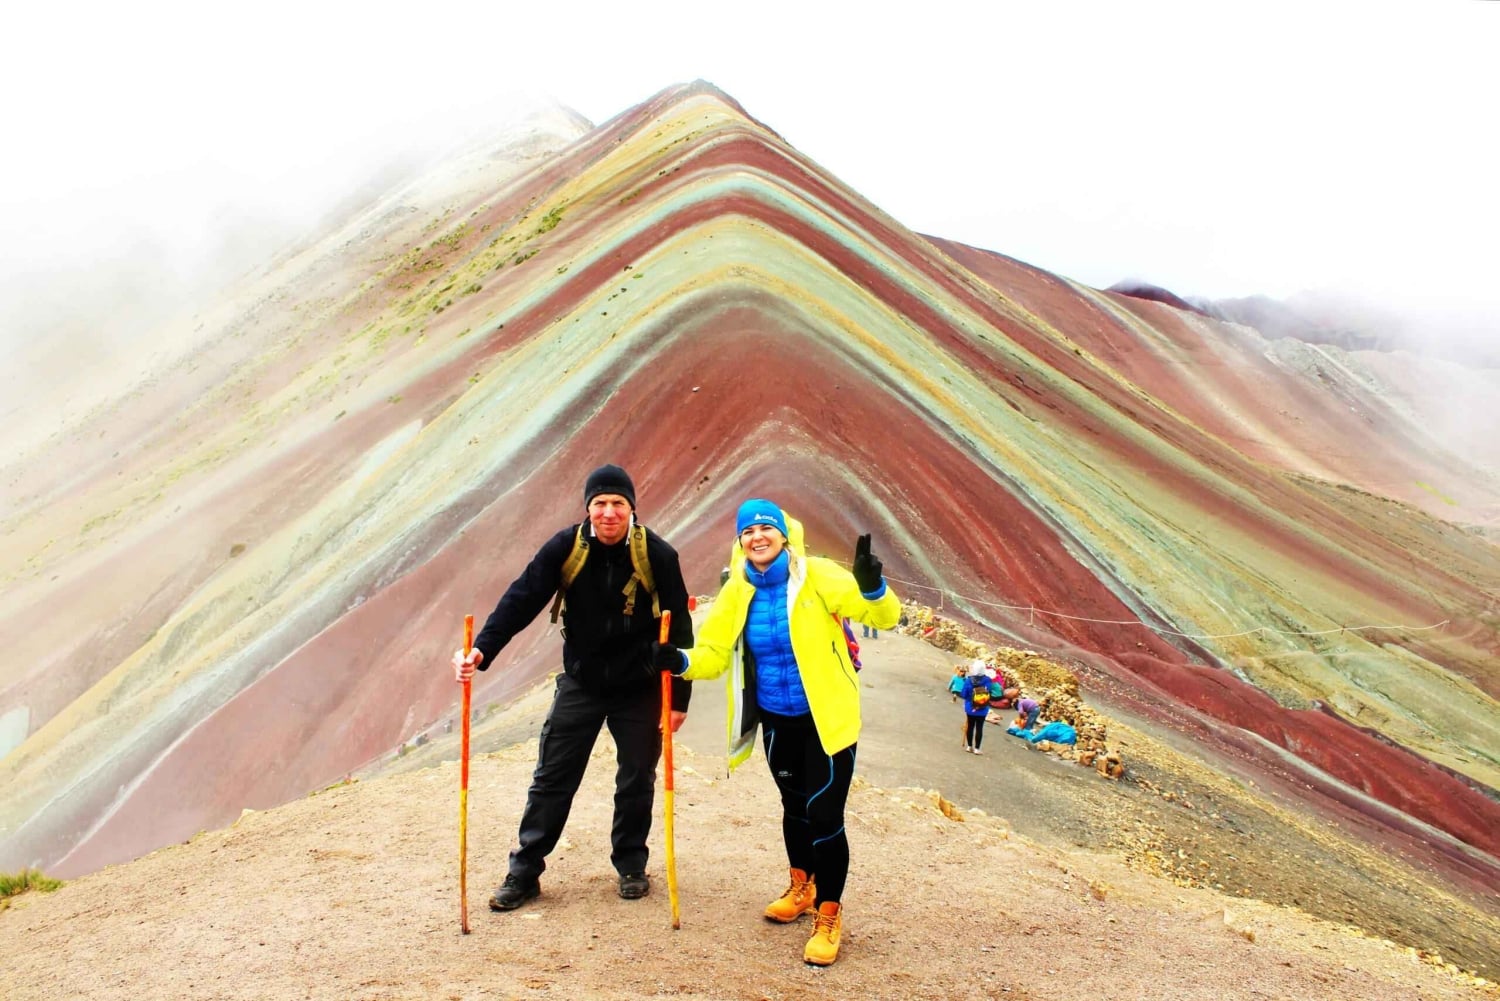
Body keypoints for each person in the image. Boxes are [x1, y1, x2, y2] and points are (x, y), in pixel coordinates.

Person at [654, 499, 899, 966]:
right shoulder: (736, 592)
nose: (757, 536)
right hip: (775, 719)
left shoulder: (820, 576)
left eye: (767, 527)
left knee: (825, 813)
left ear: (786, 535)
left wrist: (872, 591)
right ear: (740, 541)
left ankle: (829, 913)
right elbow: (713, 652)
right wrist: (682, 662)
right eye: (748, 531)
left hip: (826, 719)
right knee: (793, 807)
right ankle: (802, 886)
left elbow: (884, 619)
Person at [452, 464, 693, 911]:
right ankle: (524, 872)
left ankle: (631, 865)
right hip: (582, 681)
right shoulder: (566, 548)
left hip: (639, 685)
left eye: (617, 504)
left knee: (636, 778)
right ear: (587, 508)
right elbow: (521, 598)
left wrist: (678, 699)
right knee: (552, 778)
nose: (608, 513)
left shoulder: (657, 555)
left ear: (632, 509)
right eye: (599, 503)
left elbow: (679, 625)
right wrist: (482, 650)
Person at [961, 659, 992, 754]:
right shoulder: (987, 680)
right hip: (982, 709)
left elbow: (963, 694)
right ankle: (977, 749)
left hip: (970, 708)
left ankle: (969, 746)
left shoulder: (968, 680)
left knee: (970, 726)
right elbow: (989, 693)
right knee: (979, 728)